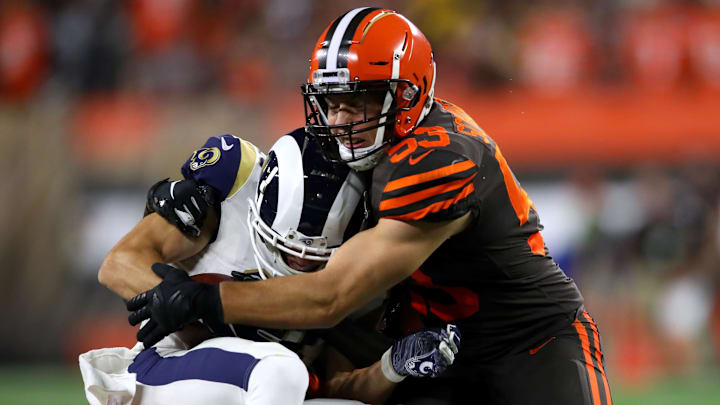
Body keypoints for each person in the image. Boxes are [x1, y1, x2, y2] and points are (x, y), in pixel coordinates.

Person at [127, 7, 612, 405]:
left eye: (359, 102)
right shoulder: (362, 147)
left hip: (527, 342)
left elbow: (330, 297)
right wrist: (199, 188)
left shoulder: (437, 157)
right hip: (426, 349)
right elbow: (279, 169)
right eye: (332, 101)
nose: (341, 120)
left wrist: (203, 298)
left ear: (407, 97)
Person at [80, 129, 461, 405]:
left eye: (315, 260)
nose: (297, 265)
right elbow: (118, 264)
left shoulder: (360, 277)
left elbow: (331, 387)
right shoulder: (232, 182)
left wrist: (393, 366)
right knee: (280, 370)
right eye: (284, 249)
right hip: (168, 375)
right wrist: (178, 301)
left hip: (265, 391)